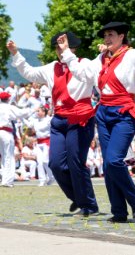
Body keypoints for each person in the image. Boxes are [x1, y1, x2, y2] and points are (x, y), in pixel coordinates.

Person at [59, 22, 135, 222]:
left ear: (122, 36)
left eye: (111, 35)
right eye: (105, 36)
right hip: (103, 112)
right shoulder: (100, 59)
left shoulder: (132, 55)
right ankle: (118, 212)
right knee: (107, 165)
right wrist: (67, 52)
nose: (107, 39)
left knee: (113, 160)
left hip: (124, 112)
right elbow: (82, 73)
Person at [8, 33, 99, 215]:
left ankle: (88, 204)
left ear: (73, 47)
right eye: (57, 47)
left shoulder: (84, 64)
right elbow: (30, 73)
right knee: (55, 164)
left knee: (76, 162)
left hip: (80, 118)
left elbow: (93, 78)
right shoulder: (52, 68)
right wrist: (16, 54)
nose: (59, 51)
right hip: (59, 120)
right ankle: (77, 197)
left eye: (63, 46)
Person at [23, 105, 55, 186]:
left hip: (47, 142)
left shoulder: (49, 119)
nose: (37, 112)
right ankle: (42, 180)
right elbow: (29, 125)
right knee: (40, 162)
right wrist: (21, 118)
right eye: (37, 111)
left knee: (45, 161)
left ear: (44, 112)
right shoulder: (35, 120)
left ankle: (51, 177)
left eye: (39, 111)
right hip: (39, 143)